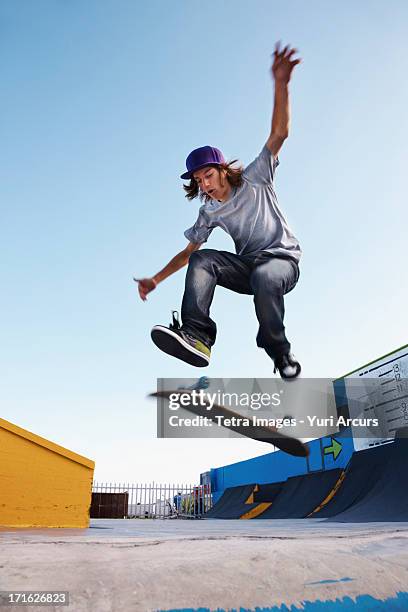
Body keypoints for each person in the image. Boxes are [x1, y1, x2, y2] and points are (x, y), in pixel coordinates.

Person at [136, 43, 302, 379]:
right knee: (204, 259)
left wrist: (281, 84)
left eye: (208, 175)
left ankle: (280, 354)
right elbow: (187, 254)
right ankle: (197, 336)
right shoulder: (210, 211)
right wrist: (156, 278)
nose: (206, 185)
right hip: (246, 269)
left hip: (282, 264)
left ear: (222, 169)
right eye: (199, 181)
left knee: (265, 275)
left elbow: (279, 133)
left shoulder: (256, 177)